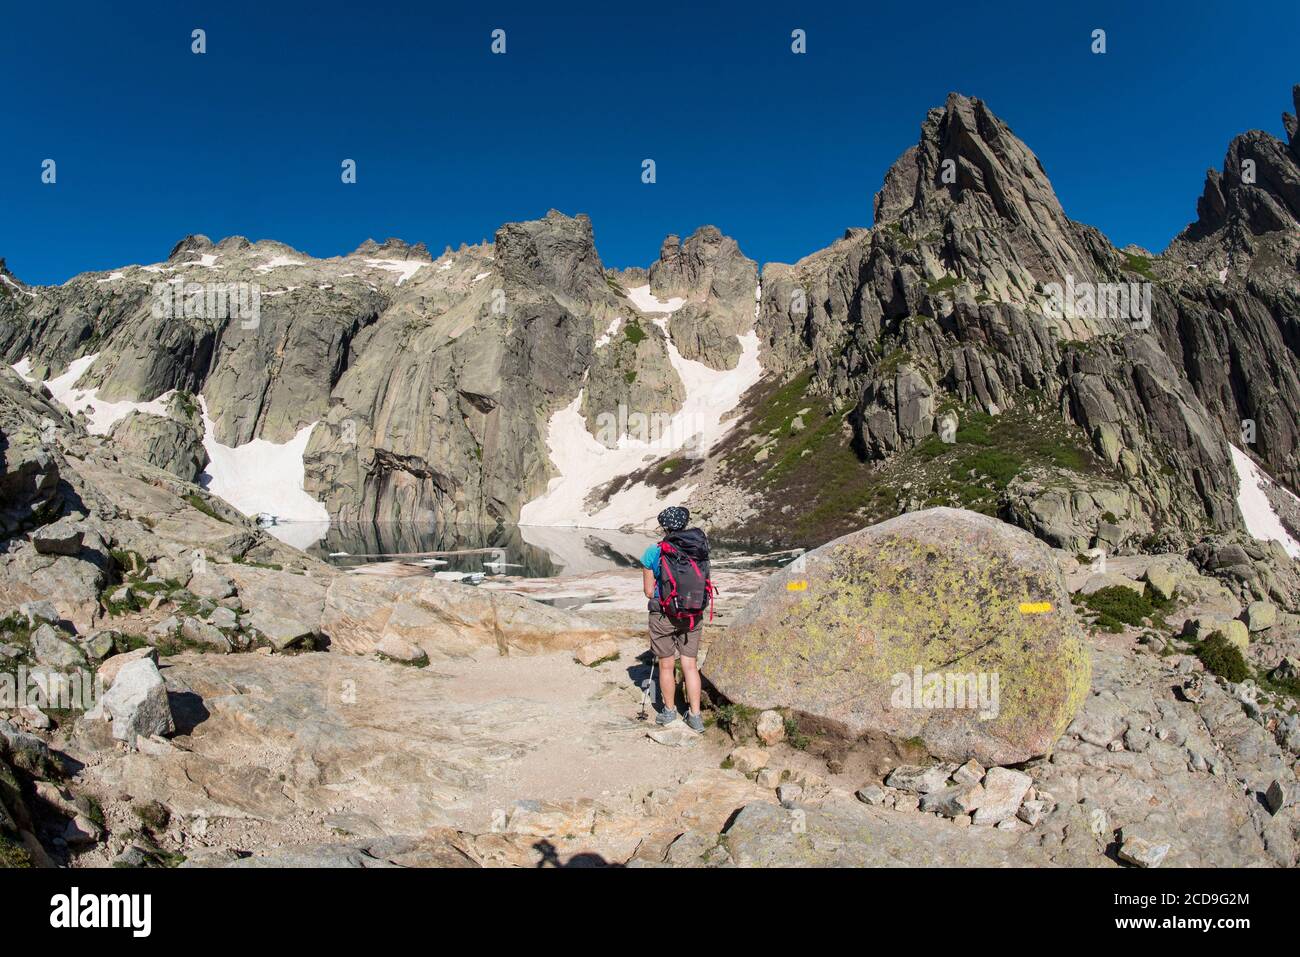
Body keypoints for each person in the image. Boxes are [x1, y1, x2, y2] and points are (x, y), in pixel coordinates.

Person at [641, 505, 712, 732]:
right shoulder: (699, 547)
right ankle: (695, 716)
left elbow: (649, 592)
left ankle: (669, 711)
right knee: (690, 665)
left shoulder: (654, 552)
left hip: (664, 614)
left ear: (664, 527)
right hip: (693, 613)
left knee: (666, 664)